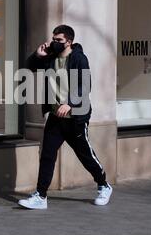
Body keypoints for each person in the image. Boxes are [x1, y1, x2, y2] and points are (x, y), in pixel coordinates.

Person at [18, 25, 113, 210]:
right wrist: (38, 55)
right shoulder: (51, 56)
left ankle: (103, 185)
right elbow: (29, 68)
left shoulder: (78, 58)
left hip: (76, 118)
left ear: (69, 41)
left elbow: (85, 85)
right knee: (47, 155)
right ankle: (41, 196)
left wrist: (69, 103)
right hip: (55, 117)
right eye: (54, 39)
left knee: (85, 155)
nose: (55, 42)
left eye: (59, 40)